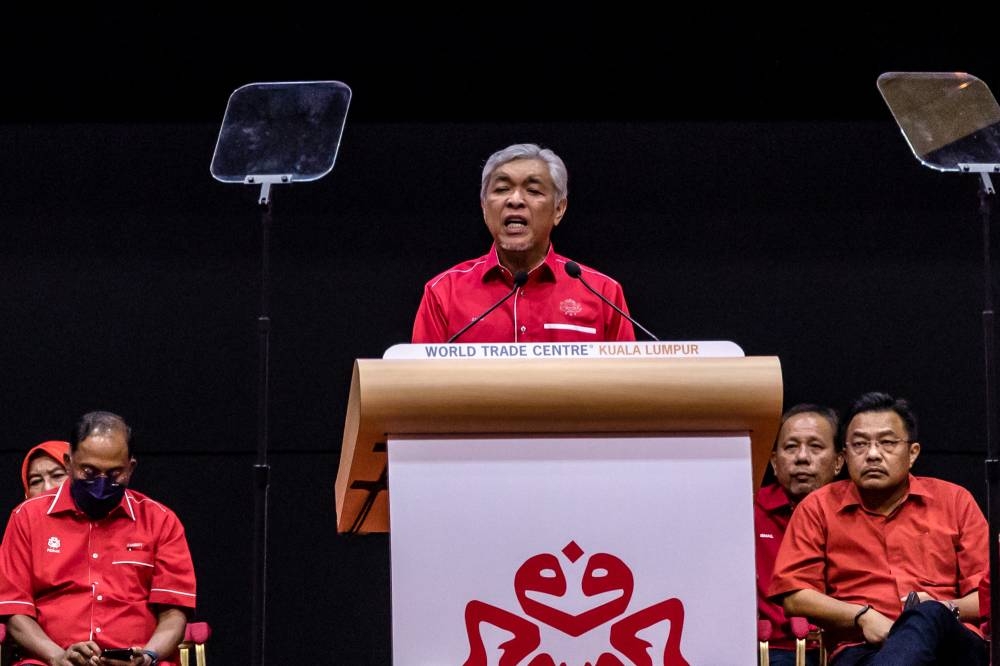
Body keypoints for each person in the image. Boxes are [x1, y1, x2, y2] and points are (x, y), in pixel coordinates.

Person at [768, 391, 989, 665]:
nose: (873, 454)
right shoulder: (818, 507)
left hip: (951, 647)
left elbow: (988, 595)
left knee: (928, 613)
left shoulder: (955, 501)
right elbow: (795, 596)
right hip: (862, 647)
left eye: (887, 443)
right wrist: (863, 616)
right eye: (860, 444)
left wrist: (944, 608)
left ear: (912, 453)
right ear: (845, 456)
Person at [0, 411, 197, 666]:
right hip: (51, 660)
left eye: (115, 473)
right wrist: (57, 655)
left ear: (131, 468)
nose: (102, 483)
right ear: (69, 463)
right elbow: (14, 610)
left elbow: (174, 612)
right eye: (89, 471)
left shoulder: (161, 521)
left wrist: (148, 655)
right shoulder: (26, 518)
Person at [411, 143, 638, 343]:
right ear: (483, 207)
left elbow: (630, 384)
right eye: (501, 189)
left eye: (533, 190)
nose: (515, 200)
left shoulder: (604, 293)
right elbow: (419, 384)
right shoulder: (444, 293)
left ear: (559, 209)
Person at [756, 403, 844, 665]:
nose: (802, 457)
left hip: (841, 647)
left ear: (839, 461)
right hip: (769, 649)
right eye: (791, 447)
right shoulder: (748, 509)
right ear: (773, 461)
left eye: (815, 447)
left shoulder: (858, 510)